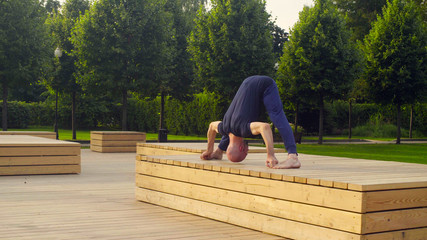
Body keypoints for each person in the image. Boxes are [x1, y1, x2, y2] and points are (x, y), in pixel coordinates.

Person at [200, 75, 301, 169]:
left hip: (265, 85)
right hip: (247, 82)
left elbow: (265, 127)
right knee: (233, 133)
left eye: (246, 153)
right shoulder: (224, 128)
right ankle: (219, 151)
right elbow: (212, 126)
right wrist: (211, 150)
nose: (248, 151)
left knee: (277, 116)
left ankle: (293, 157)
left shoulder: (243, 129)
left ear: (241, 148)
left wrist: (270, 155)